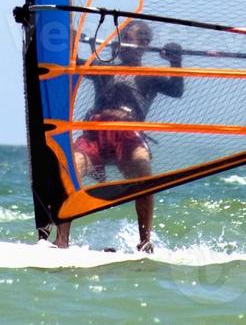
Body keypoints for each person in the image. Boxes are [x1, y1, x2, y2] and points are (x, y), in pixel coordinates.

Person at [54, 20, 184, 253]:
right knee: (69, 170)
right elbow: (73, 64)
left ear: (145, 45)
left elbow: (176, 90)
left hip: (127, 136)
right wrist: (72, 40)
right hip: (94, 135)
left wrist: (176, 61)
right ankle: (61, 240)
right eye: (127, 38)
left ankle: (145, 242)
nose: (127, 43)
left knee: (143, 170)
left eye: (138, 38)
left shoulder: (149, 76)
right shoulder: (103, 68)